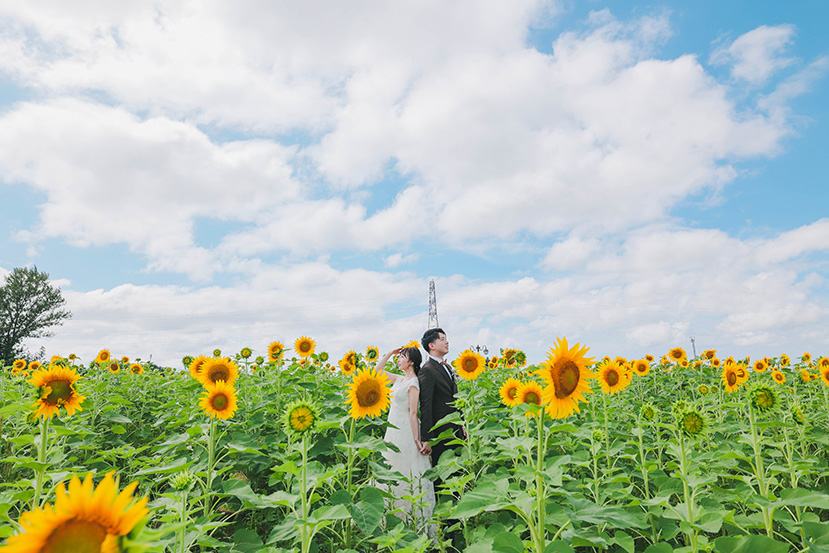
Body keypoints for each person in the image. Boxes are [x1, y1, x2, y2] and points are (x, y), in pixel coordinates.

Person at [375, 346, 436, 537]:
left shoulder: (414, 383)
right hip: (393, 428)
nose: (398, 360)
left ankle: (412, 521)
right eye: (399, 357)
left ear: (411, 362)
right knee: (392, 465)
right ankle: (390, 518)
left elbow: (413, 412)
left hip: (405, 430)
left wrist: (417, 438)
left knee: (408, 469)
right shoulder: (400, 379)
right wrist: (390, 353)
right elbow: (377, 372)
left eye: (402, 357)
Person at [418, 328, 465, 480]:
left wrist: (462, 423)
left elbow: (455, 398)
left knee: (459, 471)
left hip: (455, 429)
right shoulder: (428, 370)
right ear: (431, 345)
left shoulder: (446, 367)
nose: (447, 342)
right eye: (443, 339)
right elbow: (426, 405)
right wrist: (428, 438)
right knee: (443, 474)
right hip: (441, 432)